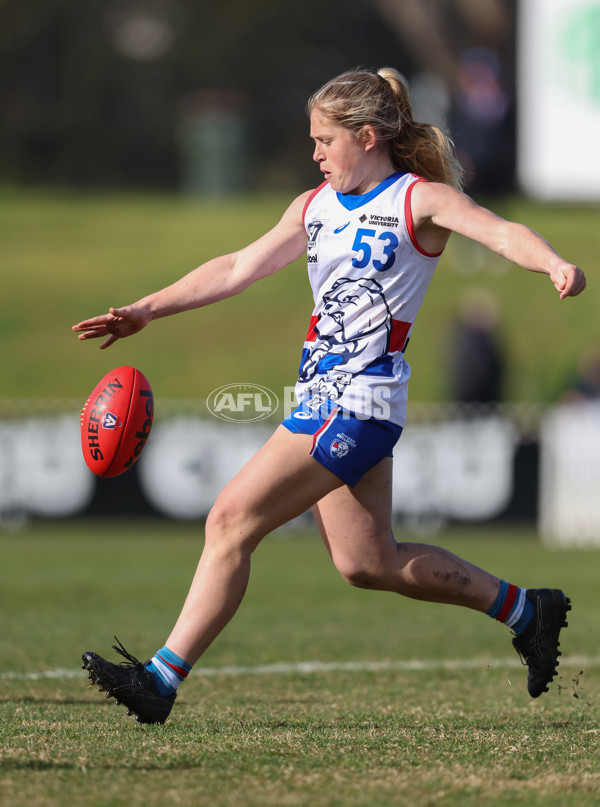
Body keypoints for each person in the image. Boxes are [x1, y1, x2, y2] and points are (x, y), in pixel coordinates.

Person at [73, 67, 585, 724]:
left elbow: (499, 230)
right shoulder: (314, 206)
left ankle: (160, 680)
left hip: (358, 405)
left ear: (367, 136)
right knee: (367, 562)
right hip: (322, 399)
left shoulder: (416, 200)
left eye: (324, 140)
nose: (315, 153)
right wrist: (146, 308)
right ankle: (526, 610)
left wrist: (553, 263)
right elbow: (236, 267)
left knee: (230, 521)